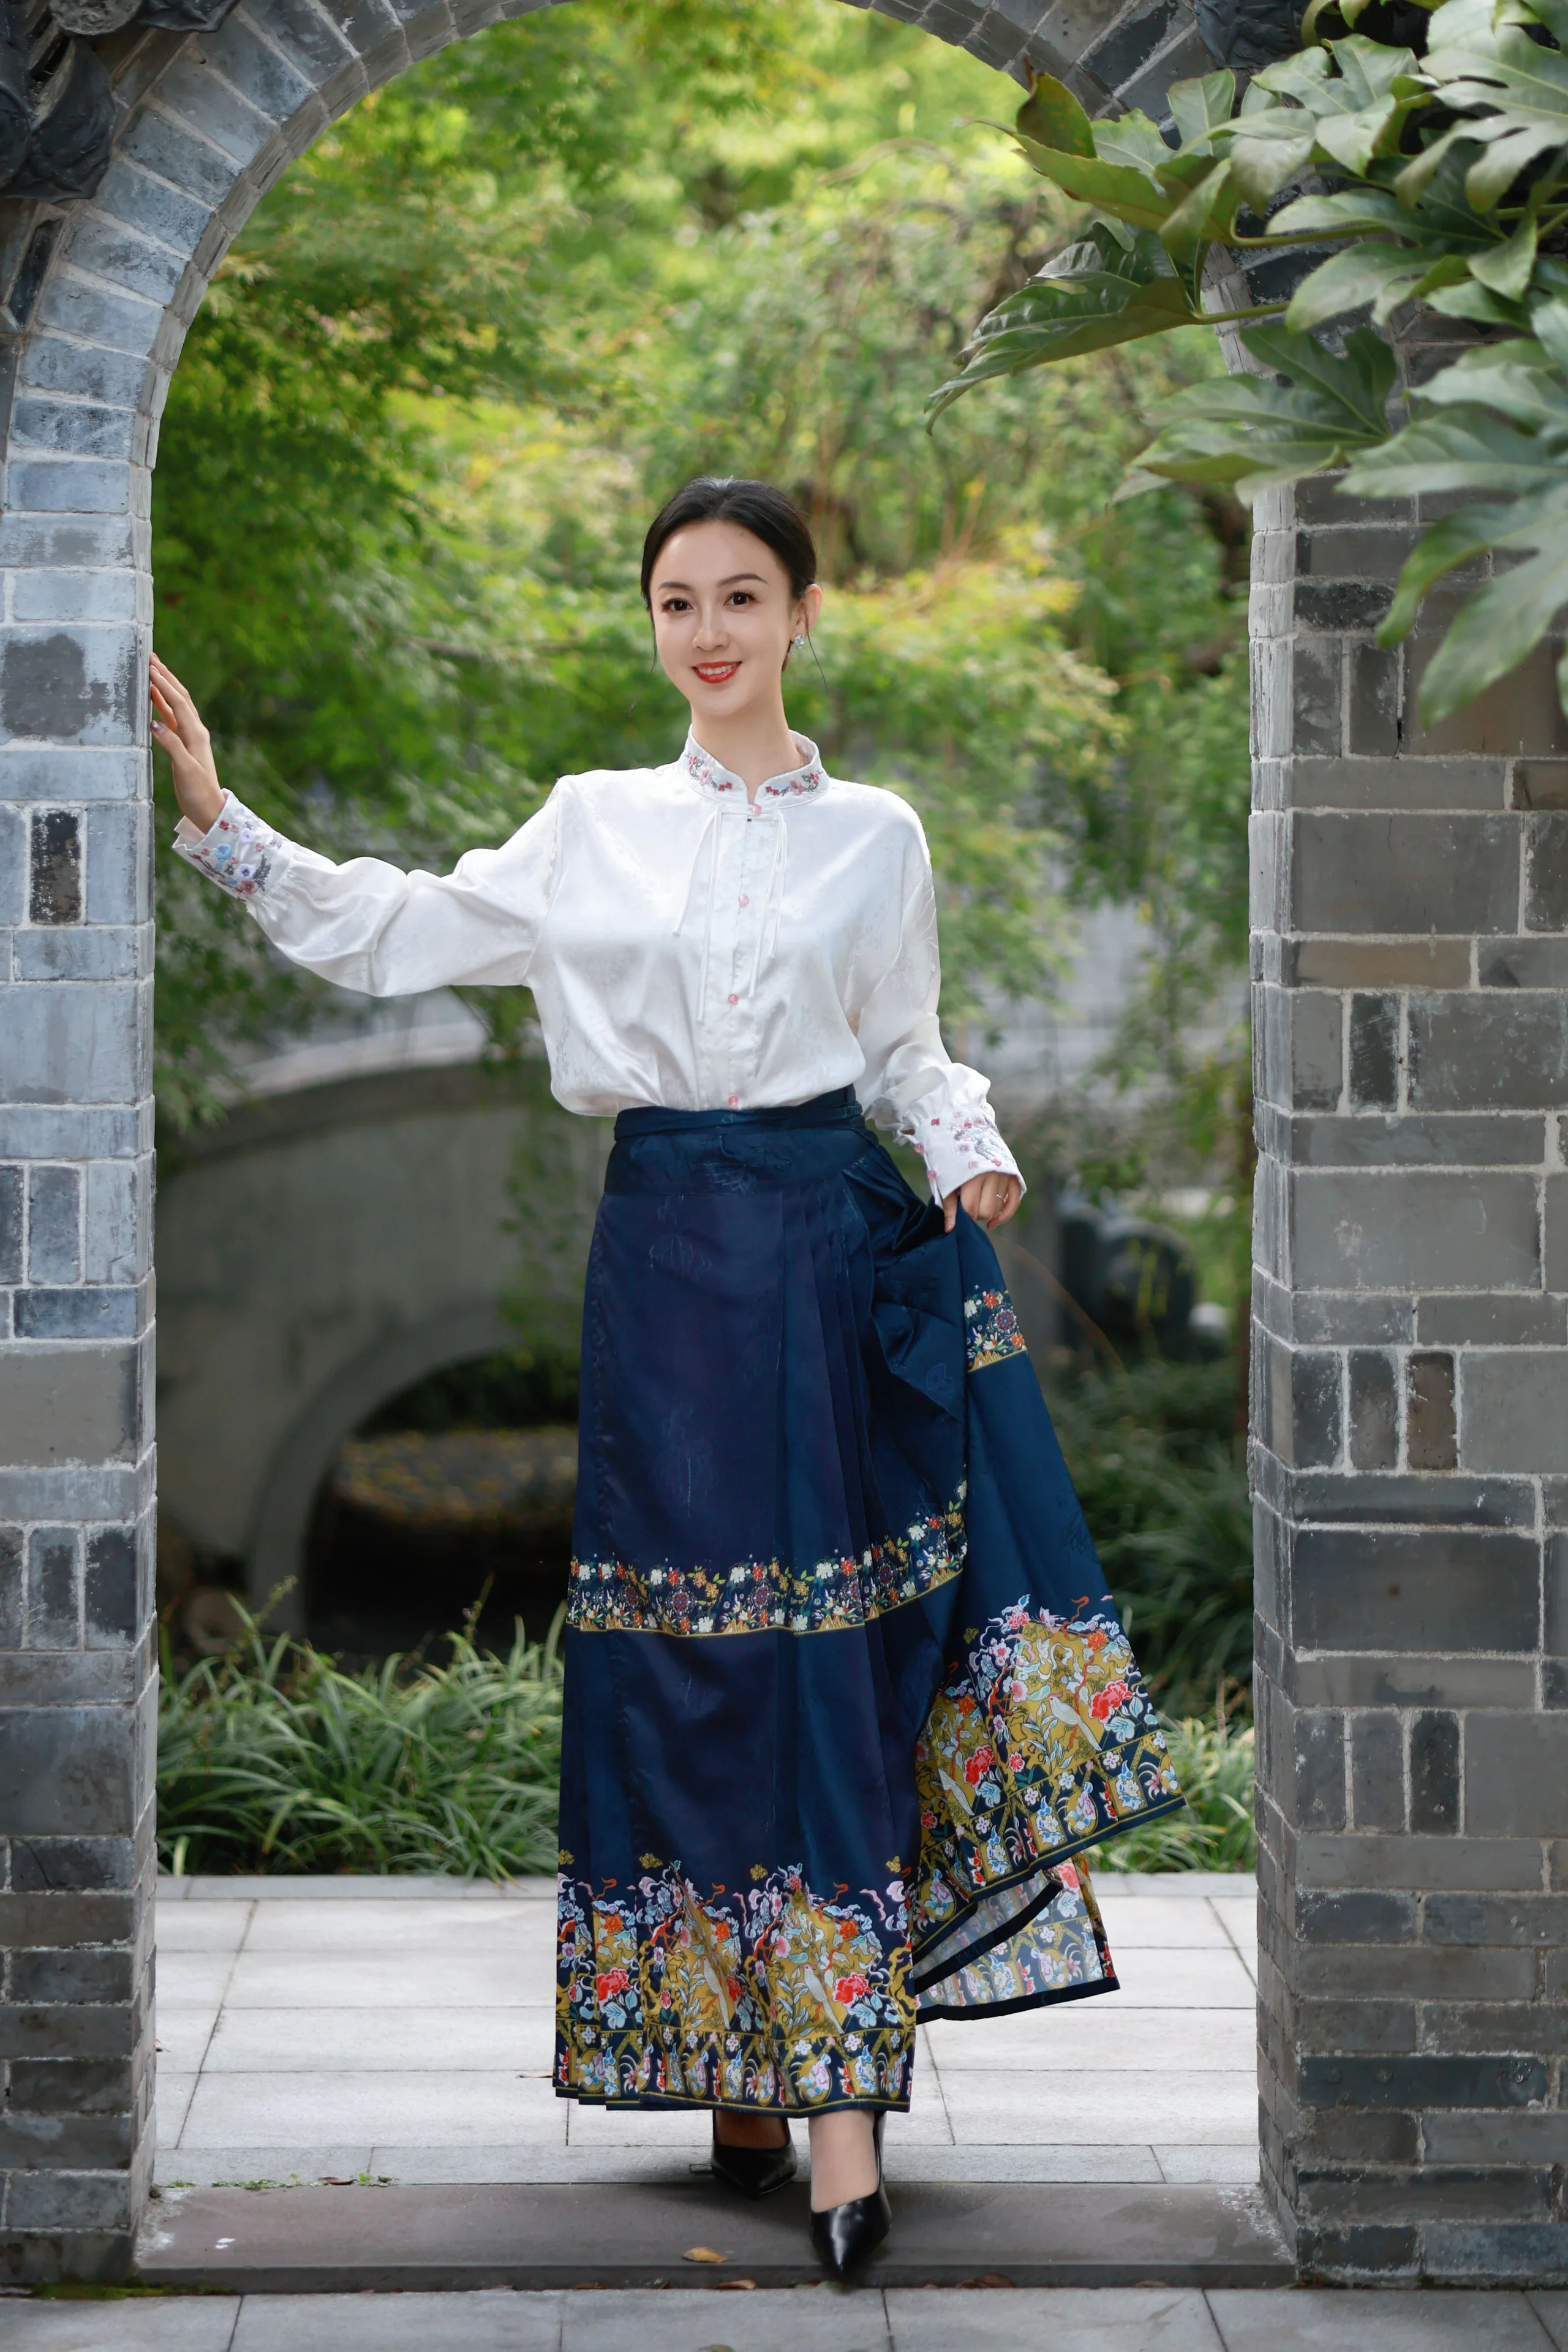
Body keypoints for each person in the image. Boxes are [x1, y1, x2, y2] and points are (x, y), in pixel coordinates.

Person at [152, 475, 1182, 2281]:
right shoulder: (590, 824)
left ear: (800, 616)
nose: (706, 631)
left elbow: (909, 1046)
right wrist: (219, 818)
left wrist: (971, 1152)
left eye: (740, 597)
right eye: (675, 602)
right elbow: (403, 929)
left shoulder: (880, 835)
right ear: (655, 625)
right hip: (664, 1267)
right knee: (685, 1662)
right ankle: (733, 2061)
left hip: (831, 1254)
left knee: (832, 1661)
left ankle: (843, 2110)